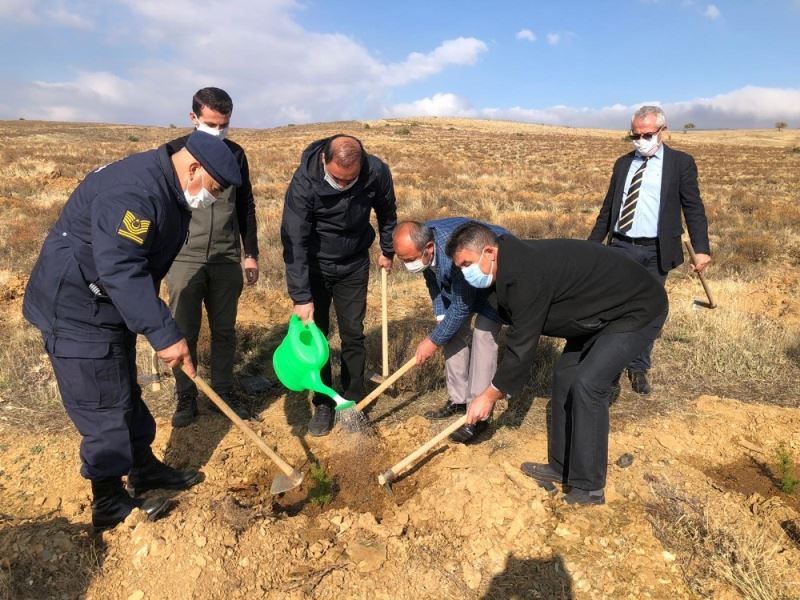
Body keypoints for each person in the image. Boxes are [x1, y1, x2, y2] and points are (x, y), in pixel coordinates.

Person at [22, 131, 242, 529]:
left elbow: (137, 266)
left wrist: (151, 321)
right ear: (193, 167)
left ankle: (144, 469)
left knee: (124, 388)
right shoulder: (135, 193)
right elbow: (121, 268)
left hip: (109, 302)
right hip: (76, 307)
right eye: (213, 187)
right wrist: (163, 333)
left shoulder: (167, 185)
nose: (212, 197)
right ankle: (109, 503)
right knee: (103, 403)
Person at [446, 222, 667, 505]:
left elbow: (522, 345)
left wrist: (490, 395)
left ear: (489, 251)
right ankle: (561, 466)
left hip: (636, 308)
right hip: (594, 313)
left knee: (589, 384)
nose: (465, 273)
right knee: (564, 377)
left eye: (467, 264)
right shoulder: (507, 266)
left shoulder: (524, 273)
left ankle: (589, 487)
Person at [589, 105, 711, 397]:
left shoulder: (681, 163)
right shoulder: (622, 164)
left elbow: (693, 207)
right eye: (636, 135)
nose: (641, 140)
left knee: (648, 311)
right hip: (621, 246)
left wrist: (702, 249)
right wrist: (591, 247)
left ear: (663, 132)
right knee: (614, 309)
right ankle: (611, 366)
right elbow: (608, 209)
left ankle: (639, 365)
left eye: (647, 135)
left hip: (656, 250)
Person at [281, 134, 397, 436]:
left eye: (351, 180)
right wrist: (301, 295)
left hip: (354, 263)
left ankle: (351, 399)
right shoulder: (305, 181)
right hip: (315, 266)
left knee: (353, 333)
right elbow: (294, 239)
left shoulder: (376, 172)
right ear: (324, 160)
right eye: (337, 179)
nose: (344, 185)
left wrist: (387, 249)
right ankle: (322, 401)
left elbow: (387, 210)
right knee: (314, 337)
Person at [166, 87, 261, 427]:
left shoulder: (236, 154)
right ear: (193, 117)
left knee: (224, 331)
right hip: (183, 259)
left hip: (225, 258)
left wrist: (250, 254)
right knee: (182, 331)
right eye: (210, 123)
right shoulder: (174, 152)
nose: (218, 131)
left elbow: (246, 206)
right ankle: (186, 397)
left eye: (224, 124)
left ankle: (224, 392)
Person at [392, 218, 506, 444]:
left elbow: (463, 305)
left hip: (493, 275)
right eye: (402, 260)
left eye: (410, 259)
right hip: (464, 281)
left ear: (429, 249)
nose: (407, 265)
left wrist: (432, 341)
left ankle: (477, 415)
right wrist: (440, 318)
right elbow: (433, 281)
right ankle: (458, 400)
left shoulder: (453, 255)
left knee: (484, 333)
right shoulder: (424, 246)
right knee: (449, 331)